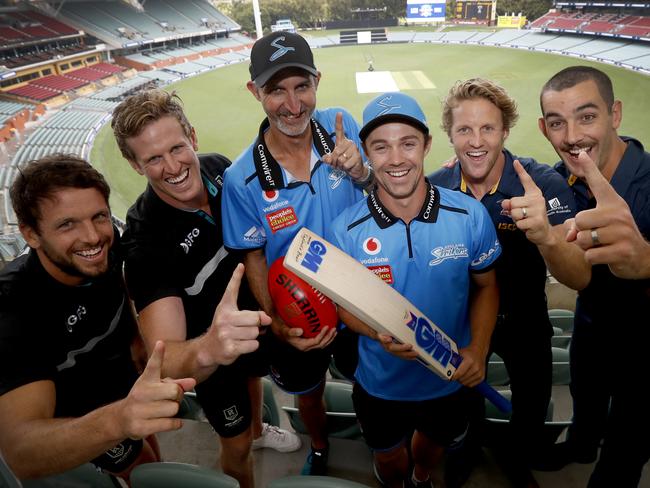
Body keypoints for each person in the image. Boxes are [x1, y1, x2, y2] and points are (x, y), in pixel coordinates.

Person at [112, 89, 298, 488]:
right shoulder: (145, 243)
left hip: (255, 325)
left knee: (256, 381)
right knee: (235, 447)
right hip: (211, 360)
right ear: (133, 164)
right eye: (153, 159)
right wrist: (214, 344)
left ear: (192, 137)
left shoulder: (219, 168)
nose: (172, 166)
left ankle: (261, 432)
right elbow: (168, 358)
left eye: (177, 148)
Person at [328, 92, 500, 488]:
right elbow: (344, 308)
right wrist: (377, 334)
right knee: (389, 460)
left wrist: (478, 349)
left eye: (407, 143)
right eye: (381, 147)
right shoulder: (345, 230)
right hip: (380, 384)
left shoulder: (469, 215)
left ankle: (421, 476)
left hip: (449, 377)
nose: (397, 159)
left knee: (430, 450)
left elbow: (487, 286)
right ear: (366, 154)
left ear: (426, 145)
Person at [221, 31, 373, 476]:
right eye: (276, 90)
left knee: (370, 381)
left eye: (301, 86)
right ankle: (321, 446)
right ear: (256, 93)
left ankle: (377, 437)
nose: (292, 104)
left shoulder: (343, 127)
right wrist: (279, 324)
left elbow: (384, 200)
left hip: (362, 295)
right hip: (299, 309)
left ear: (317, 81)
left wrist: (362, 171)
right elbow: (253, 256)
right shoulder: (241, 179)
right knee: (308, 393)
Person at [428, 78, 588, 487]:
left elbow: (580, 274)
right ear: (450, 134)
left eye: (488, 128)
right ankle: (467, 449)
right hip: (462, 323)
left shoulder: (542, 186)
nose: (476, 141)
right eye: (465, 129)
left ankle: (519, 458)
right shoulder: (436, 188)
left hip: (526, 320)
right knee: (463, 399)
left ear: (505, 131)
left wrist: (548, 235)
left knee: (532, 403)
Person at [0, 154, 195, 482]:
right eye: (67, 224)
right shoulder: (14, 308)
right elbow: (21, 452)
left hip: (125, 379)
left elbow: (117, 282)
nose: (92, 237)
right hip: (84, 411)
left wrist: (136, 337)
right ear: (31, 234)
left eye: (99, 216)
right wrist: (120, 419)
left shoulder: (106, 243)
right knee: (144, 466)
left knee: (149, 445)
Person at [537, 65, 650, 487]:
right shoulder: (561, 179)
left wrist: (647, 262)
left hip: (644, 350)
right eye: (557, 123)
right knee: (585, 400)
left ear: (615, 114)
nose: (572, 137)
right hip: (591, 326)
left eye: (587, 117)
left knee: (624, 450)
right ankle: (581, 445)